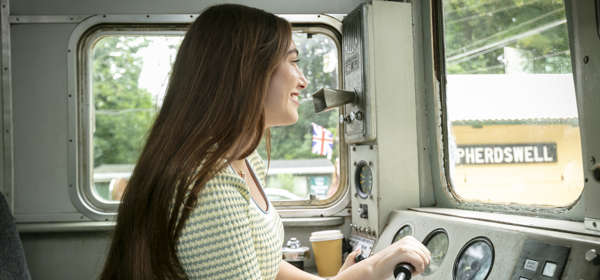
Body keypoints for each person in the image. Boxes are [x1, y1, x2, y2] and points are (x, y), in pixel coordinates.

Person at [99, 4, 430, 280]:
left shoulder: (243, 159)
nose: (302, 81)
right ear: (247, 72)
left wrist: (371, 268)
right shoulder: (210, 185)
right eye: (292, 60)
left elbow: (264, 266)